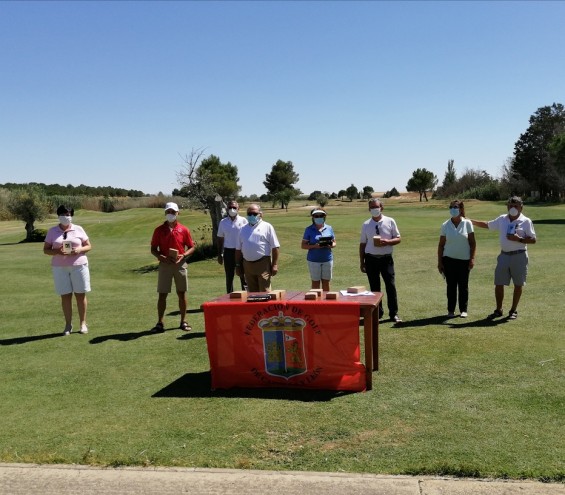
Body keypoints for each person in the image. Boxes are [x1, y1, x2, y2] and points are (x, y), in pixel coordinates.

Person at [470, 196, 537, 320]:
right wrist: (471, 221)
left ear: (521, 208)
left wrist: (519, 239)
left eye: (516, 206)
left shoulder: (526, 221)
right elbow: (488, 225)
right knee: (499, 283)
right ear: (507, 207)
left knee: (518, 284)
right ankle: (498, 309)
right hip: (504, 255)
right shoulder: (502, 219)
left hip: (519, 255)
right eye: (510, 205)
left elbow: (533, 239)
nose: (513, 208)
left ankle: (513, 310)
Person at [43, 205, 92, 336]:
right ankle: (68, 324)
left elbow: (88, 246)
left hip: (79, 265)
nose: (67, 216)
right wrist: (56, 251)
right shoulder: (52, 231)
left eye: (69, 214)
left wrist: (79, 250)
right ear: (59, 216)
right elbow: (46, 250)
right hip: (60, 267)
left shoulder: (79, 229)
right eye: (64, 214)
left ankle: (83, 323)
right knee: (65, 296)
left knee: (80, 295)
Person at [150, 202, 196, 333]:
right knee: (162, 294)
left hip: (180, 264)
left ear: (178, 213)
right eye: (168, 212)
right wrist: (161, 257)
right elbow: (153, 249)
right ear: (165, 213)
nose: (170, 214)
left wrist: (184, 255)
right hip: (165, 265)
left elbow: (191, 246)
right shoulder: (158, 230)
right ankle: (160, 322)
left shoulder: (184, 229)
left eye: (173, 212)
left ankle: (183, 321)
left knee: (181, 293)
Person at [359, 198, 402, 322]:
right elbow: (362, 244)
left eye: (376, 207)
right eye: (372, 207)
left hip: (386, 259)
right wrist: (362, 262)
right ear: (369, 209)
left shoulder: (390, 221)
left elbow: (398, 238)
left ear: (381, 207)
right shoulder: (366, 224)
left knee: (390, 286)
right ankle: (377, 313)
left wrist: (388, 242)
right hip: (370, 259)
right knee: (374, 288)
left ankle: (393, 313)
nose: (374, 209)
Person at [437, 200, 476, 318]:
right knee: (451, 286)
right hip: (448, 260)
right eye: (451, 207)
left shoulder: (467, 223)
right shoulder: (445, 225)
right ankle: (450, 310)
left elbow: (473, 243)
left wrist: (472, 258)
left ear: (460, 209)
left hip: (464, 260)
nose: (453, 209)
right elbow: (441, 245)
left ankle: (463, 310)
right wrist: (440, 262)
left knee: (463, 286)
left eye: (455, 207)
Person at [235, 204, 280, 292]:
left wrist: (274, 264)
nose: (252, 216)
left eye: (254, 214)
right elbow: (238, 250)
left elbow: (275, 247)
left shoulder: (267, 226)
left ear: (260, 214)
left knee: (264, 292)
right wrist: (238, 265)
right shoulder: (242, 229)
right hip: (247, 265)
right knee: (251, 293)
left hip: (263, 264)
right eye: (249, 214)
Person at [301, 208, 336, 291]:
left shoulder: (329, 228)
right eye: (316, 216)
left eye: (321, 215)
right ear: (313, 217)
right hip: (313, 260)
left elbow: (334, 243)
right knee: (315, 283)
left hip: (327, 259)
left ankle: (326, 303)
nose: (319, 217)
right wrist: (314, 246)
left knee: (326, 282)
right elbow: (303, 245)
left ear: (324, 216)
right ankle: (316, 303)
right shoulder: (309, 229)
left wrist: (330, 245)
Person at [216, 200, 248, 293]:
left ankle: (246, 297)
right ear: (227, 209)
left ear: (238, 208)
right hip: (228, 252)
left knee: (243, 275)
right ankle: (228, 298)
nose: (232, 209)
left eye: (234, 207)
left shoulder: (244, 220)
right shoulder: (223, 222)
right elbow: (220, 239)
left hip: (241, 252)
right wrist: (219, 254)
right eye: (230, 207)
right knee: (229, 277)